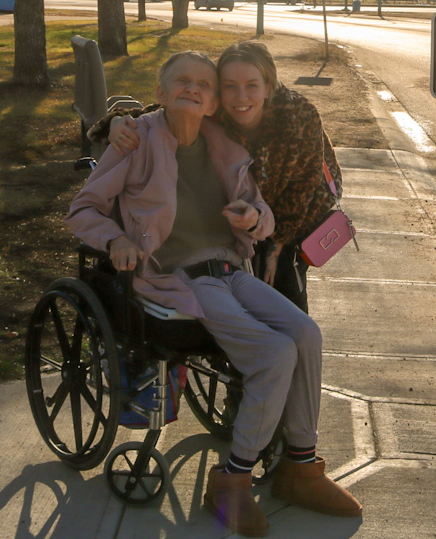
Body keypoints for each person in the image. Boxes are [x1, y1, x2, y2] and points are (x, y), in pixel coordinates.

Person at [67, 51, 362, 537]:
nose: (193, 89)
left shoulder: (223, 144)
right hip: (175, 278)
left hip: (231, 270)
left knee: (306, 334)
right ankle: (232, 480)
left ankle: (301, 467)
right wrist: (116, 238)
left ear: (212, 105)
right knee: (273, 352)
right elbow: (84, 209)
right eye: (181, 81)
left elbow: (264, 214)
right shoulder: (136, 141)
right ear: (159, 95)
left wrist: (253, 218)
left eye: (204, 84)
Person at [89, 41, 341, 313]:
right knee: (249, 283)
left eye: (252, 85)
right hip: (252, 207)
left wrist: (277, 247)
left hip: (301, 206)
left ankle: (295, 337)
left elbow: (301, 190)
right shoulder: (217, 109)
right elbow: (165, 110)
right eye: (230, 86)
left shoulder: (299, 116)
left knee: (283, 282)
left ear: (268, 87)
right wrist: (117, 122)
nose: (240, 97)